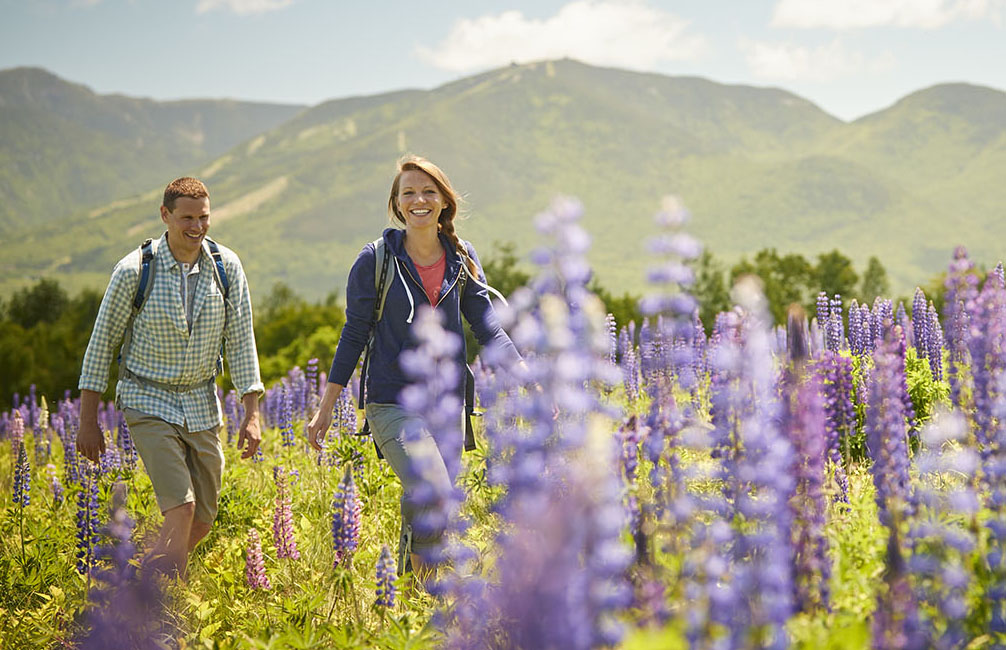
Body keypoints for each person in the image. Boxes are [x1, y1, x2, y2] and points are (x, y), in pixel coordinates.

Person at [307, 154, 521, 576]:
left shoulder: (462, 256)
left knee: (427, 505)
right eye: (409, 193)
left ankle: (408, 603)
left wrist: (530, 379)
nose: (418, 199)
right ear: (397, 204)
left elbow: (487, 328)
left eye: (428, 191)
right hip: (392, 403)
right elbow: (353, 335)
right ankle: (423, 594)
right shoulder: (376, 260)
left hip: (447, 406)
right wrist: (327, 406)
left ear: (444, 201)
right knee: (432, 490)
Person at [77, 177, 264, 578]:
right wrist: (87, 421)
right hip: (147, 399)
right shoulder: (133, 271)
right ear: (165, 215)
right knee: (182, 507)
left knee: (203, 519)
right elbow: (100, 347)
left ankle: (135, 581)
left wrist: (252, 413)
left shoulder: (226, 267)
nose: (197, 226)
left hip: (201, 402)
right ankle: (165, 610)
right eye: (187, 218)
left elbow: (242, 343)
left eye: (204, 217)